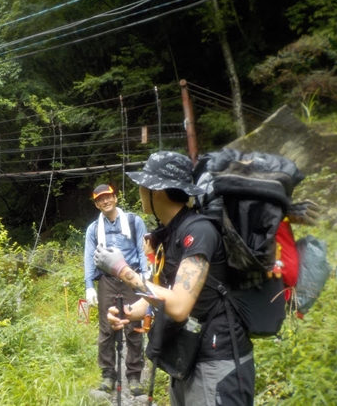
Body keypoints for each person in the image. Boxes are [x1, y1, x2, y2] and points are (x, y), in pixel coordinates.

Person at [93, 152, 255, 406]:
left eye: (143, 186)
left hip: (217, 361)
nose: (139, 191)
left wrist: (122, 270)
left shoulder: (198, 231)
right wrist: (129, 311)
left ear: (157, 191)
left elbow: (178, 306)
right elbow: (164, 293)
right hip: (189, 357)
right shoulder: (171, 233)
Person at [83, 184, 149, 396]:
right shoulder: (93, 229)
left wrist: (145, 278)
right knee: (106, 329)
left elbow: (142, 250)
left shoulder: (133, 221)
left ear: (115, 198)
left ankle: (134, 376)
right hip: (107, 280)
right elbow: (89, 258)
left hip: (132, 277)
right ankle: (108, 375)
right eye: (100, 199)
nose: (105, 201)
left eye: (108, 197)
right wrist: (89, 286)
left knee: (133, 326)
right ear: (96, 203)